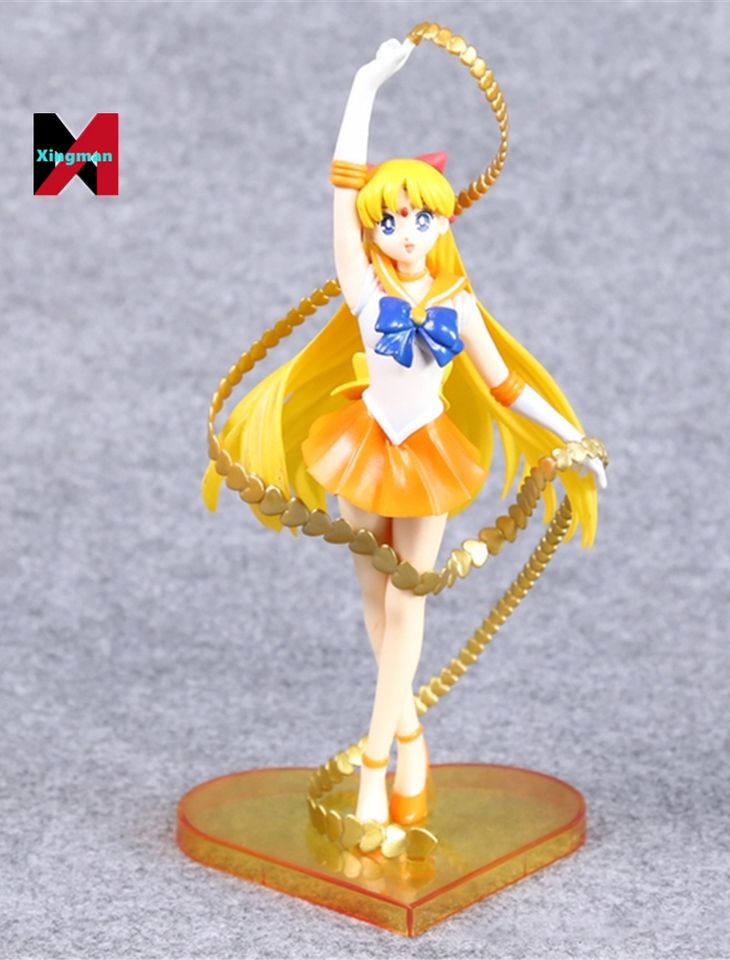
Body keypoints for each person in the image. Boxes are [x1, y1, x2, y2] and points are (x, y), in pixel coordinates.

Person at [203, 37, 607, 829]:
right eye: (390, 220)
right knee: (374, 599)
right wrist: (364, 88)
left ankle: (375, 766)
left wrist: (575, 435)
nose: (407, 231)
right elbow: (341, 188)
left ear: (444, 218)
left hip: (426, 458)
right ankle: (412, 738)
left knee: (407, 604)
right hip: (362, 445)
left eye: (422, 216)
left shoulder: (458, 304)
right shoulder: (365, 290)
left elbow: (506, 386)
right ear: (374, 228)